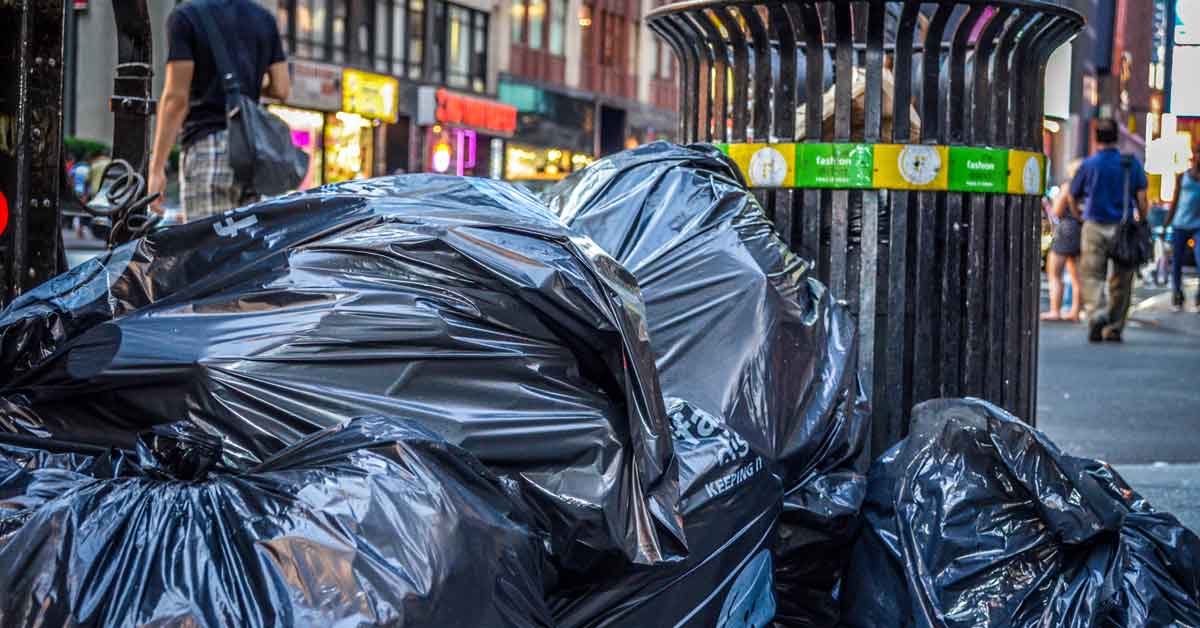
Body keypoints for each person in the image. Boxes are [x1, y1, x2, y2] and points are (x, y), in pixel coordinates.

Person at [147, 0, 289, 221]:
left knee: (208, 241)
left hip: (208, 148)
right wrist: (246, 83)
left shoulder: (186, 16)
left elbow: (176, 100)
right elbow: (281, 88)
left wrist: (156, 168)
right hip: (251, 151)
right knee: (244, 240)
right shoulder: (265, 19)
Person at [1068, 118, 1149, 343]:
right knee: (1122, 279)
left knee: (1091, 275)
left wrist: (1080, 217)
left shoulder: (1089, 164)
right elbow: (1142, 199)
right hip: (1123, 228)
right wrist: (1141, 220)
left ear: (1096, 138)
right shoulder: (1130, 163)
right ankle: (1113, 327)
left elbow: (1072, 196)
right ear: (1117, 137)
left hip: (1094, 226)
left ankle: (1097, 314)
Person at [1041, 159, 1084, 322]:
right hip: (1081, 229)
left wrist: (1051, 205)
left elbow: (1057, 212)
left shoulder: (1068, 186)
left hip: (1066, 230)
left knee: (1054, 273)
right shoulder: (1087, 187)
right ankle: (1075, 312)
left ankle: (1055, 311)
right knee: (1077, 276)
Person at [1166, 154, 1200, 311]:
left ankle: (1199, 297)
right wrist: (1166, 224)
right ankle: (1177, 295)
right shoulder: (1182, 177)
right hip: (1179, 225)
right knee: (1177, 263)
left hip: (1197, 226)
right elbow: (1175, 201)